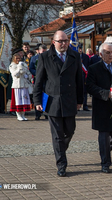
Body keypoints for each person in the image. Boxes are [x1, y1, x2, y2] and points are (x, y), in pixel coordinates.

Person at [33, 31, 83, 177]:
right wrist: (37, 101)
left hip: (70, 101)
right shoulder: (45, 57)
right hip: (53, 101)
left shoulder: (75, 56)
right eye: (60, 41)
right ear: (53, 42)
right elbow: (39, 81)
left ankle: (60, 149)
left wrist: (80, 100)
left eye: (65, 41)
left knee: (70, 130)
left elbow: (79, 80)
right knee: (57, 135)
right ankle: (61, 165)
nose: (63, 44)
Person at [86, 42, 112, 173]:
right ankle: (105, 162)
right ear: (101, 54)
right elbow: (90, 86)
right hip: (102, 106)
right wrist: (105, 93)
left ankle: (105, 151)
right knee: (104, 135)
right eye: (107, 52)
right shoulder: (94, 68)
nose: (111, 55)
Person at [9, 53, 32, 121]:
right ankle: (18, 115)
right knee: (18, 100)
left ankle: (23, 114)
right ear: (14, 59)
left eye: (19, 58)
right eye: (17, 58)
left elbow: (29, 73)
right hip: (17, 86)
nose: (18, 60)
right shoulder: (12, 66)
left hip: (24, 85)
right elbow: (15, 74)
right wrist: (19, 67)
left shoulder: (23, 64)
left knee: (24, 100)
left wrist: (28, 76)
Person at [29, 44, 48, 120]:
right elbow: (31, 68)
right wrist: (37, 73)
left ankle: (46, 112)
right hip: (37, 79)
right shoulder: (34, 58)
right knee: (37, 96)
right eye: (43, 51)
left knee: (46, 96)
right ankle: (38, 114)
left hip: (46, 80)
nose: (44, 53)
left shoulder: (48, 57)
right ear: (39, 51)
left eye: (45, 51)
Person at [78, 44, 90, 111]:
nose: (80, 50)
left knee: (85, 92)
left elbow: (88, 66)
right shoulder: (75, 56)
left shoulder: (86, 57)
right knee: (78, 91)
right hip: (77, 77)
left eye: (81, 48)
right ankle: (78, 106)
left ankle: (85, 105)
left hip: (84, 76)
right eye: (79, 48)